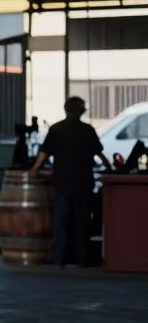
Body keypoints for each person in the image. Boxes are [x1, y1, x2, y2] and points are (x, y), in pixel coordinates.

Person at [30, 96, 111, 267]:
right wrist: (111, 168)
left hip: (62, 182)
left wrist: (33, 171)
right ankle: (82, 259)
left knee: (61, 221)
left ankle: (59, 259)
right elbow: (100, 154)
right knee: (82, 221)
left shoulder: (56, 129)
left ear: (65, 109)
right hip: (83, 182)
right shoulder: (87, 130)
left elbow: (43, 155)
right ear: (82, 111)